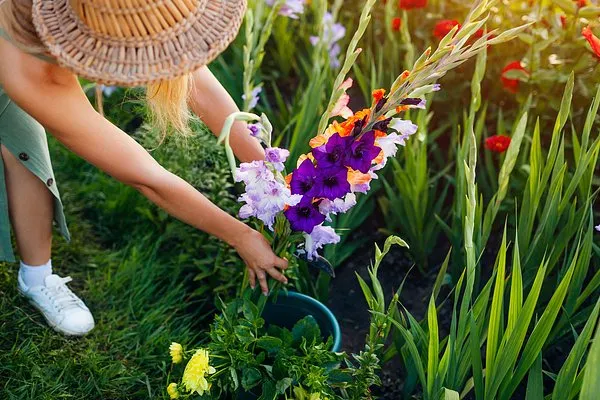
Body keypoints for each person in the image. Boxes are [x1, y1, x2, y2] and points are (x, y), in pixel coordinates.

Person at [0, 0, 288, 336]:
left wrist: (266, 169)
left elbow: (189, 68)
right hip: (12, 60)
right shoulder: (30, 68)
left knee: (23, 148)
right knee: (20, 136)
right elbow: (145, 177)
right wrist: (240, 236)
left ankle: (35, 278)